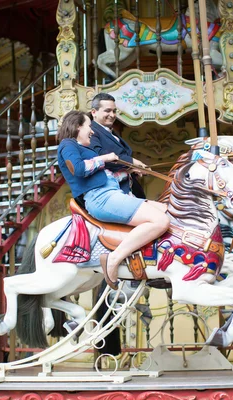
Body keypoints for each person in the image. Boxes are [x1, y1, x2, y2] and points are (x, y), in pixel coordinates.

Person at [57, 111, 170, 289]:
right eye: (88, 126)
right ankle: (114, 258)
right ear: (78, 126)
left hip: (111, 194)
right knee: (160, 221)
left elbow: (105, 177)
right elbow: (78, 169)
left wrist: (129, 171)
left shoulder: (84, 149)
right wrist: (105, 158)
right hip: (101, 198)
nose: (92, 132)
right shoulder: (67, 145)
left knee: (166, 210)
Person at [89, 93, 146, 198]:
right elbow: (100, 156)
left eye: (114, 111)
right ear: (94, 112)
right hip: (113, 191)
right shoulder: (92, 131)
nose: (112, 115)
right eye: (107, 111)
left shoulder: (108, 131)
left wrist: (131, 169)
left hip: (127, 186)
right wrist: (132, 162)